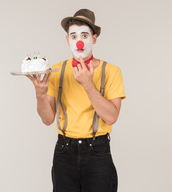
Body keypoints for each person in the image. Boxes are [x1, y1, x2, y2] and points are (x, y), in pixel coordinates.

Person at [26, 8, 126, 192]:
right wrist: (40, 94)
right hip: (65, 150)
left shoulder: (111, 71)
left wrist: (88, 84)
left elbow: (111, 117)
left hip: (98, 150)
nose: (78, 41)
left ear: (94, 39)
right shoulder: (55, 71)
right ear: (67, 40)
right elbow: (48, 119)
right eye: (73, 36)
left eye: (84, 35)